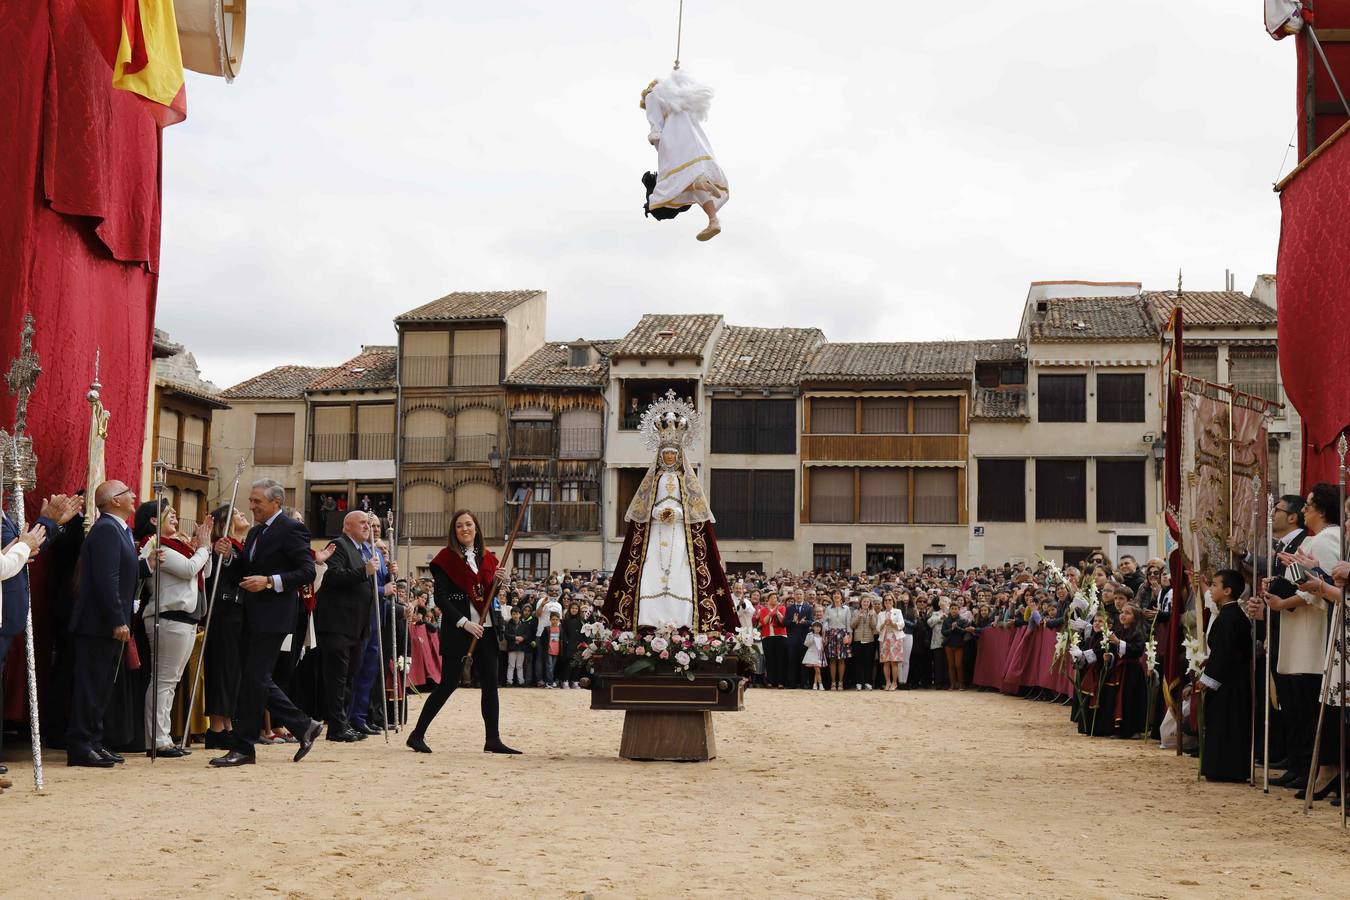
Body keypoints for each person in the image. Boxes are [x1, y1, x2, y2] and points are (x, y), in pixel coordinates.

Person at [210, 479, 323, 768]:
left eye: (257, 501)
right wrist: (229, 556)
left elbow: (307, 571)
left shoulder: (292, 529)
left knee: (254, 680)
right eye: (251, 500)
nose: (252, 506)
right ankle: (302, 725)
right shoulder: (256, 532)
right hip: (250, 613)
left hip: (273, 616)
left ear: (276, 502)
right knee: (254, 680)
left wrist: (270, 582)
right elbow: (245, 573)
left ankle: (246, 746)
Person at [601, 394, 736, 632]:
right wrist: (656, 514)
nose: (670, 457)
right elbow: (644, 507)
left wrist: (676, 513)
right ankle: (648, 620)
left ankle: (683, 620)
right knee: (650, 571)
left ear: (679, 455)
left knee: (682, 573)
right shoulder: (654, 480)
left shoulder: (686, 481)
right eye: (666, 454)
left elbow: (694, 509)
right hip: (656, 533)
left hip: (678, 532)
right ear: (660, 455)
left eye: (674, 454)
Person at [406, 510, 520, 754]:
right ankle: (417, 735)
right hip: (459, 630)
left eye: (469, 524)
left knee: (490, 684)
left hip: (485, 630)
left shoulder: (489, 559)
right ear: (454, 531)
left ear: (476, 528)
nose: (465, 529)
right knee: (448, 683)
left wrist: (502, 579)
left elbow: (488, 593)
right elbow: (442, 598)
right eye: (459, 526)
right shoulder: (444, 560)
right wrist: (463, 622)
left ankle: (493, 739)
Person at [67, 480, 159, 768]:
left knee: (103, 686)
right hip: (98, 623)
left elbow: (123, 572)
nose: (134, 496)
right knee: (91, 686)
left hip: (107, 623)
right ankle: (81, 744)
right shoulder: (107, 529)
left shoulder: (120, 529)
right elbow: (107, 579)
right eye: (128, 493)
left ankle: (94, 740)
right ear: (114, 501)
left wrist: (148, 565)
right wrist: (118, 619)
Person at [137, 501, 213, 759]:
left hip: (185, 618)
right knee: (163, 680)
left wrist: (203, 549)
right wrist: (202, 548)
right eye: (170, 514)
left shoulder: (179, 546)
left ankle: (164, 737)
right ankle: (157, 740)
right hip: (168, 617)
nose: (176, 518)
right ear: (154, 520)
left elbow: (205, 570)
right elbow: (189, 569)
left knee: (171, 682)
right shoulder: (157, 545)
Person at [313, 511, 379, 742]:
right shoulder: (338, 545)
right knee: (337, 678)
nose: (367, 527)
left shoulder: (362, 551)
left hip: (356, 626)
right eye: (362, 522)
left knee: (349, 677)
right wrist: (364, 572)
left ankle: (344, 723)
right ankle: (336, 727)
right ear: (346, 526)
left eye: (368, 524)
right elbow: (332, 576)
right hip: (337, 624)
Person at [640, 69, 728, 241]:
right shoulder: (682, 97)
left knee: (663, 192)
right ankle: (713, 220)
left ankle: (699, 185)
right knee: (690, 179)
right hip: (696, 142)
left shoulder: (652, 95)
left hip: (674, 143)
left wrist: (656, 144)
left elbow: (656, 127)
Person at [1198, 570, 1253, 782]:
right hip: (1229, 678)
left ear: (1227, 591)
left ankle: (1227, 769)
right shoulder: (1229, 614)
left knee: (1228, 722)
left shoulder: (1230, 617)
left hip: (1230, 683)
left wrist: (1208, 679)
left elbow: (1224, 652)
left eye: (1214, 585)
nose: (1210, 589)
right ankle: (1222, 767)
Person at [203, 503, 250, 750]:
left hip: (239, 614)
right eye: (239, 513)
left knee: (233, 672)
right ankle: (216, 728)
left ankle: (228, 723)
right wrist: (222, 553)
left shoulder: (242, 546)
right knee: (222, 668)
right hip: (223, 613)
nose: (244, 514)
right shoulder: (220, 546)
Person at [823, 591, 853, 692]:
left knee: (842, 659)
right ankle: (833, 682)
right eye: (834, 594)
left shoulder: (847, 609)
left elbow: (849, 623)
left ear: (841, 597)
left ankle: (840, 682)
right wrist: (825, 636)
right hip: (831, 634)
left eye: (838, 594)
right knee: (832, 659)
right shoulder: (828, 608)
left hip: (843, 634)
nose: (836, 596)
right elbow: (825, 623)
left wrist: (849, 635)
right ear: (832, 596)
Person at [757, 591, 788, 688]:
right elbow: (762, 622)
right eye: (772, 597)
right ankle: (770, 681)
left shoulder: (782, 608)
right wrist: (771, 613)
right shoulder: (763, 610)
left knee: (780, 659)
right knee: (769, 659)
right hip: (767, 636)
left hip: (780, 636)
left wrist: (777, 612)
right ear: (768, 599)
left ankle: (780, 682)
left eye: (776, 597)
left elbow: (783, 621)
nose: (774, 599)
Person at [784, 589, 813, 689]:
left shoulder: (808, 607)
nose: (799, 596)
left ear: (803, 595)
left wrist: (803, 622)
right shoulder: (789, 608)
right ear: (794, 595)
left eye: (800, 594)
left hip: (804, 639)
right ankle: (792, 683)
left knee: (804, 661)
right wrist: (793, 620)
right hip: (792, 639)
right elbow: (784, 623)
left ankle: (804, 683)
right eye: (797, 594)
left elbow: (811, 622)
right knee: (792, 661)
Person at [877, 594, 905, 691]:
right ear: (883, 602)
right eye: (886, 600)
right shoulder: (881, 614)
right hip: (884, 638)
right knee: (886, 662)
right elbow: (877, 629)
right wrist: (883, 624)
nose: (888, 602)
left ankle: (894, 682)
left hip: (895, 638)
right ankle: (888, 682)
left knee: (894, 662)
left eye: (889, 600)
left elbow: (902, 624)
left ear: (893, 601)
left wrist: (893, 624)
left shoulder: (898, 611)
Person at [851, 594, 878, 690]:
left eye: (867, 601)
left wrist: (871, 617)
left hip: (869, 640)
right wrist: (859, 617)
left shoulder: (873, 612)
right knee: (858, 662)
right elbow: (852, 625)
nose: (866, 603)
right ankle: (859, 682)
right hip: (857, 640)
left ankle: (868, 682)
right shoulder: (855, 612)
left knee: (868, 662)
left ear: (870, 603)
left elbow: (874, 626)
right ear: (861, 603)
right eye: (864, 601)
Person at [559, 600, 584, 689]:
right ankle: (565, 681)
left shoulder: (581, 620)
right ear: (570, 609)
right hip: (569, 645)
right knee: (569, 664)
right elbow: (563, 633)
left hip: (579, 645)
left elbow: (583, 632)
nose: (574, 610)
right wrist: (567, 641)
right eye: (572, 608)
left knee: (578, 664)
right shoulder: (566, 620)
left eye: (576, 608)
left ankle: (575, 681)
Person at [504, 607, 528, 685]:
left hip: (521, 647)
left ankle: (521, 681)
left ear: (520, 615)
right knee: (511, 665)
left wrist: (522, 638)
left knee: (520, 665)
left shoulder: (524, 624)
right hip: (512, 647)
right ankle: (509, 681)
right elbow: (506, 635)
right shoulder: (508, 624)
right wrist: (515, 638)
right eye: (513, 614)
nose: (515, 616)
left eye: (517, 614)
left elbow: (527, 634)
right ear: (511, 615)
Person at [803, 621, 826, 690]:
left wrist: (824, 643)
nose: (818, 628)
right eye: (816, 626)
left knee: (817, 671)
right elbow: (806, 644)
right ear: (813, 627)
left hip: (819, 655)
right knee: (817, 670)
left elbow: (821, 647)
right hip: (812, 654)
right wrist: (812, 638)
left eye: (819, 627)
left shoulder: (821, 636)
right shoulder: (810, 634)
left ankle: (815, 684)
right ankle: (821, 685)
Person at [545, 612, 562, 688]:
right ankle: (550, 682)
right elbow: (543, 641)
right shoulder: (547, 629)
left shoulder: (560, 629)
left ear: (559, 620)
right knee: (549, 667)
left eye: (556, 619)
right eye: (553, 619)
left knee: (553, 667)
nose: (554, 621)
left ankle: (550, 681)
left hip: (556, 651)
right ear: (550, 620)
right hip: (548, 650)